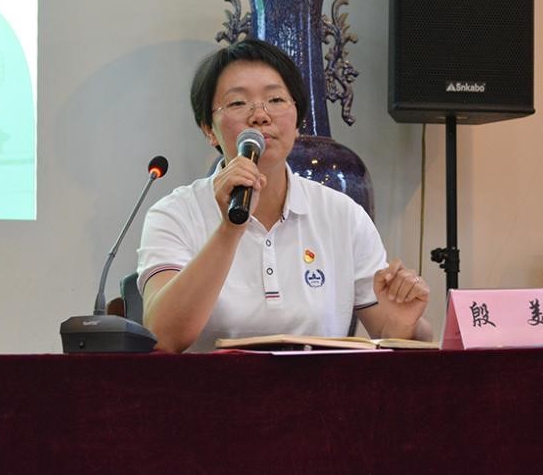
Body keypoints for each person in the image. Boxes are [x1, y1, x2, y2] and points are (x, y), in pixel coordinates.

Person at [136, 39, 432, 352]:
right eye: (238, 103)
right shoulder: (174, 214)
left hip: (319, 383)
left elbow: (388, 334)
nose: (260, 116)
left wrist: (403, 324)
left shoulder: (342, 214)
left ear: (298, 121)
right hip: (212, 384)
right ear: (209, 129)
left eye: (276, 100)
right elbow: (163, 337)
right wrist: (229, 229)